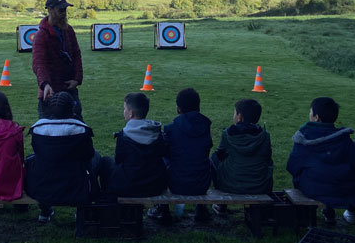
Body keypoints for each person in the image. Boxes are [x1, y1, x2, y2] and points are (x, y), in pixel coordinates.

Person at [286, 97, 355, 225]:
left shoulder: (305, 138)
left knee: (309, 176)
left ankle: (311, 214)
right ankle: (332, 212)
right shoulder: (344, 139)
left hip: (314, 189)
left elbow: (292, 166)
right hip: (343, 188)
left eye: (311, 112)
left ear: (316, 117)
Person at [25, 92, 100, 223]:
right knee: (96, 158)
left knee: (34, 161)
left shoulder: (38, 128)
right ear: (72, 108)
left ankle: (45, 210)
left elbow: (38, 152)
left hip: (43, 184)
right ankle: (81, 209)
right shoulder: (81, 129)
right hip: (75, 183)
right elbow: (88, 154)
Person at [149, 87, 213, 223]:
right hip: (202, 183)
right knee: (202, 159)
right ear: (199, 108)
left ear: (178, 109)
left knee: (162, 160)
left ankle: (162, 207)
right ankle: (201, 208)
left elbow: (164, 153)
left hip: (177, 183)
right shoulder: (206, 127)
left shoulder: (171, 129)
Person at [210, 99, 273, 215]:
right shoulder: (264, 136)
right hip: (259, 186)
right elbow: (267, 158)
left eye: (235, 113)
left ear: (240, 117)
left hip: (230, 186)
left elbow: (218, 157)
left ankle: (221, 204)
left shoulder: (228, 134)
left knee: (214, 159)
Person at [99, 92, 167, 199]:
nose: (124, 111)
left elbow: (119, 160)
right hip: (155, 185)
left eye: (125, 108)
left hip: (130, 185)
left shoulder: (124, 136)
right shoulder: (158, 134)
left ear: (131, 113)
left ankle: (107, 200)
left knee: (106, 162)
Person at [32, 0, 83, 119]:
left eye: (65, 9)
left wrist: (77, 79)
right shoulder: (41, 36)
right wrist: (45, 85)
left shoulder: (68, 30)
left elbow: (76, 55)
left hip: (69, 89)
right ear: (50, 10)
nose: (64, 13)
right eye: (61, 10)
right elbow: (39, 63)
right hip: (50, 92)